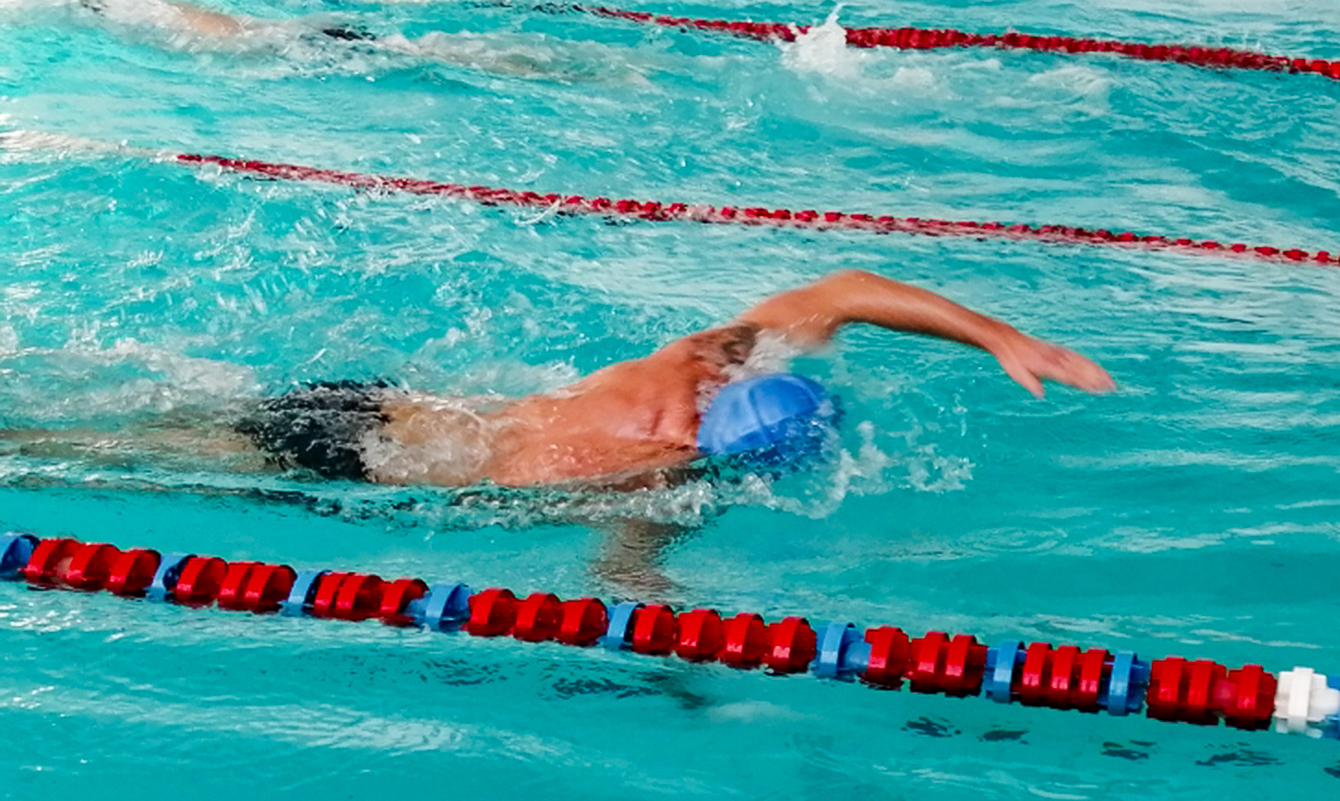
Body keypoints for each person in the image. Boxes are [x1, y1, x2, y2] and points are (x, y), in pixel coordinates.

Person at [233, 269, 1113, 489]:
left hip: (392, 407)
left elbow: (845, 291)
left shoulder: (703, 358)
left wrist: (1004, 338)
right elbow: (630, 561)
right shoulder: (671, 467)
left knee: (181, 425)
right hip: (366, 458)